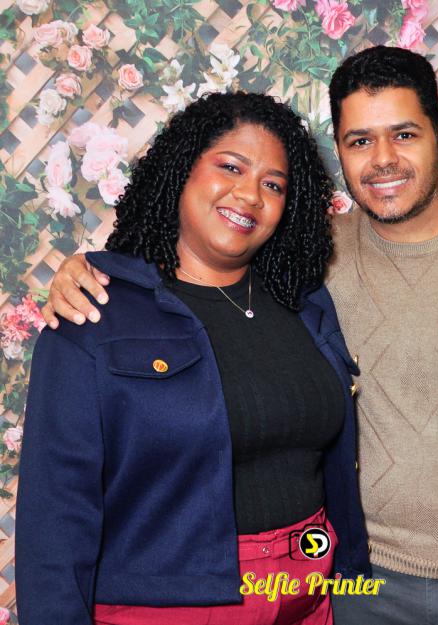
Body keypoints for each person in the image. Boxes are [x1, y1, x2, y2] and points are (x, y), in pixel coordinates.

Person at [42, 46, 438, 625]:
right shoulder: (315, 258)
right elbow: (196, 256)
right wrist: (89, 270)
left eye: (404, 135)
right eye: (360, 141)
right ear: (340, 152)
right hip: (359, 584)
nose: (384, 160)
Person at [16, 91, 370, 625]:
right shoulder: (95, 313)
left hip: (308, 598)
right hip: (168, 608)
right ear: (182, 170)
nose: (250, 194)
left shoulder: (305, 307)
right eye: (231, 167)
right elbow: (54, 517)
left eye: (273, 184)